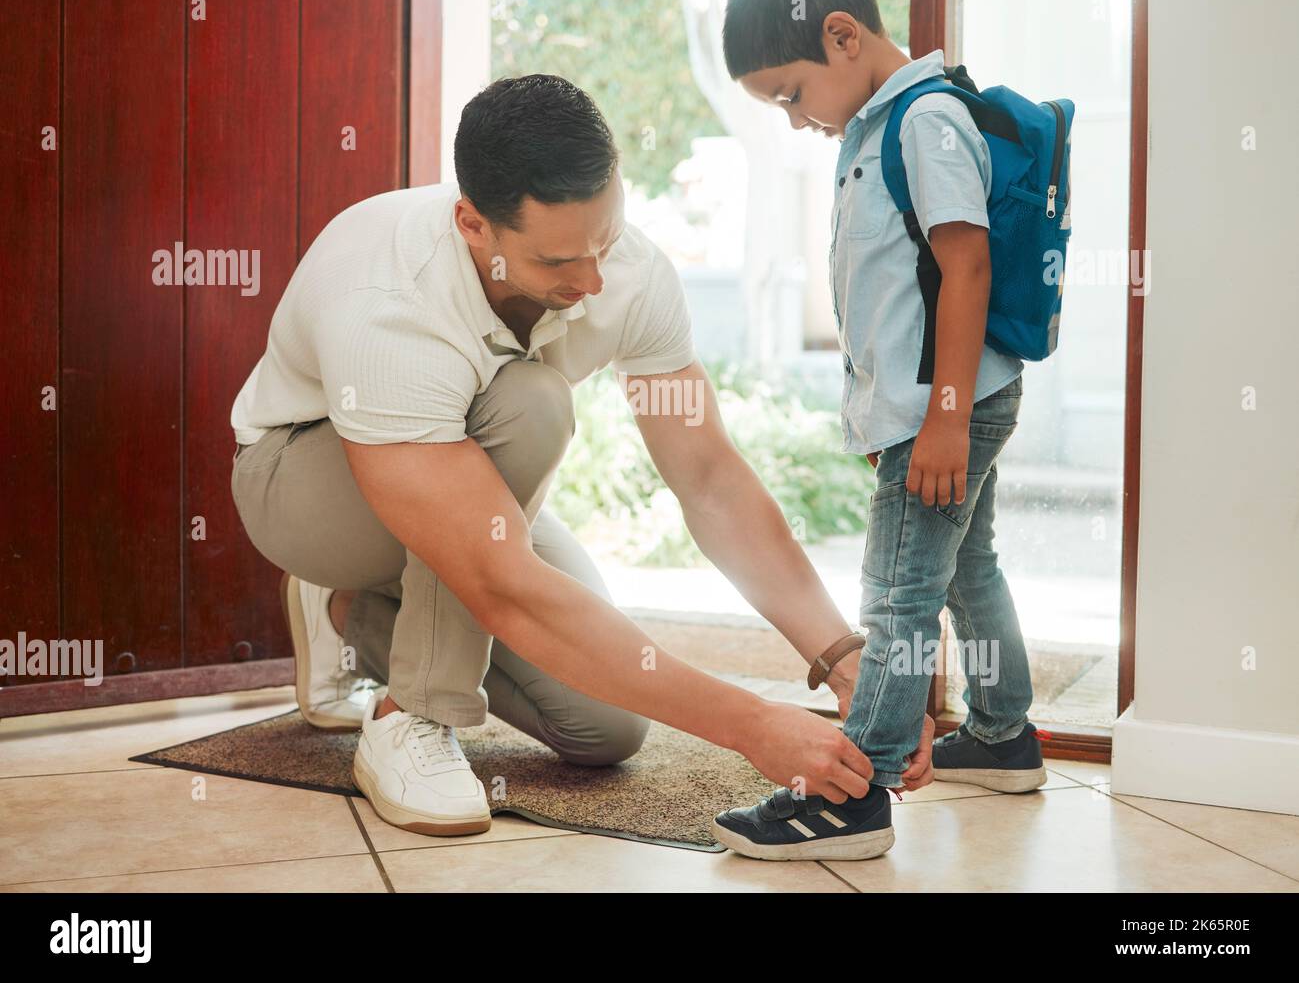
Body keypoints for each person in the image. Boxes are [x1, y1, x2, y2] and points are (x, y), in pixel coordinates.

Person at [229, 73, 912, 838]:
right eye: (559, 262)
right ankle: (410, 714)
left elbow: (711, 481)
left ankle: (347, 611)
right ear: (472, 224)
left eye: (605, 242)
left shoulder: (628, 274)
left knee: (606, 727)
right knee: (532, 406)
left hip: (459, 493)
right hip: (302, 483)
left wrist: (839, 652)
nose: (591, 282)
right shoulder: (391, 297)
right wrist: (751, 723)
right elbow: (500, 585)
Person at [711, 0, 1046, 862]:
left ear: (843, 35)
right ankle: (1004, 732)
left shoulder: (924, 120)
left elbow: (965, 263)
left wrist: (939, 417)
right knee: (966, 566)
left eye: (789, 94)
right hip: (937, 408)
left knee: (897, 595)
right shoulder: (872, 126)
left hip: (949, 410)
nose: (791, 120)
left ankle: (856, 788)